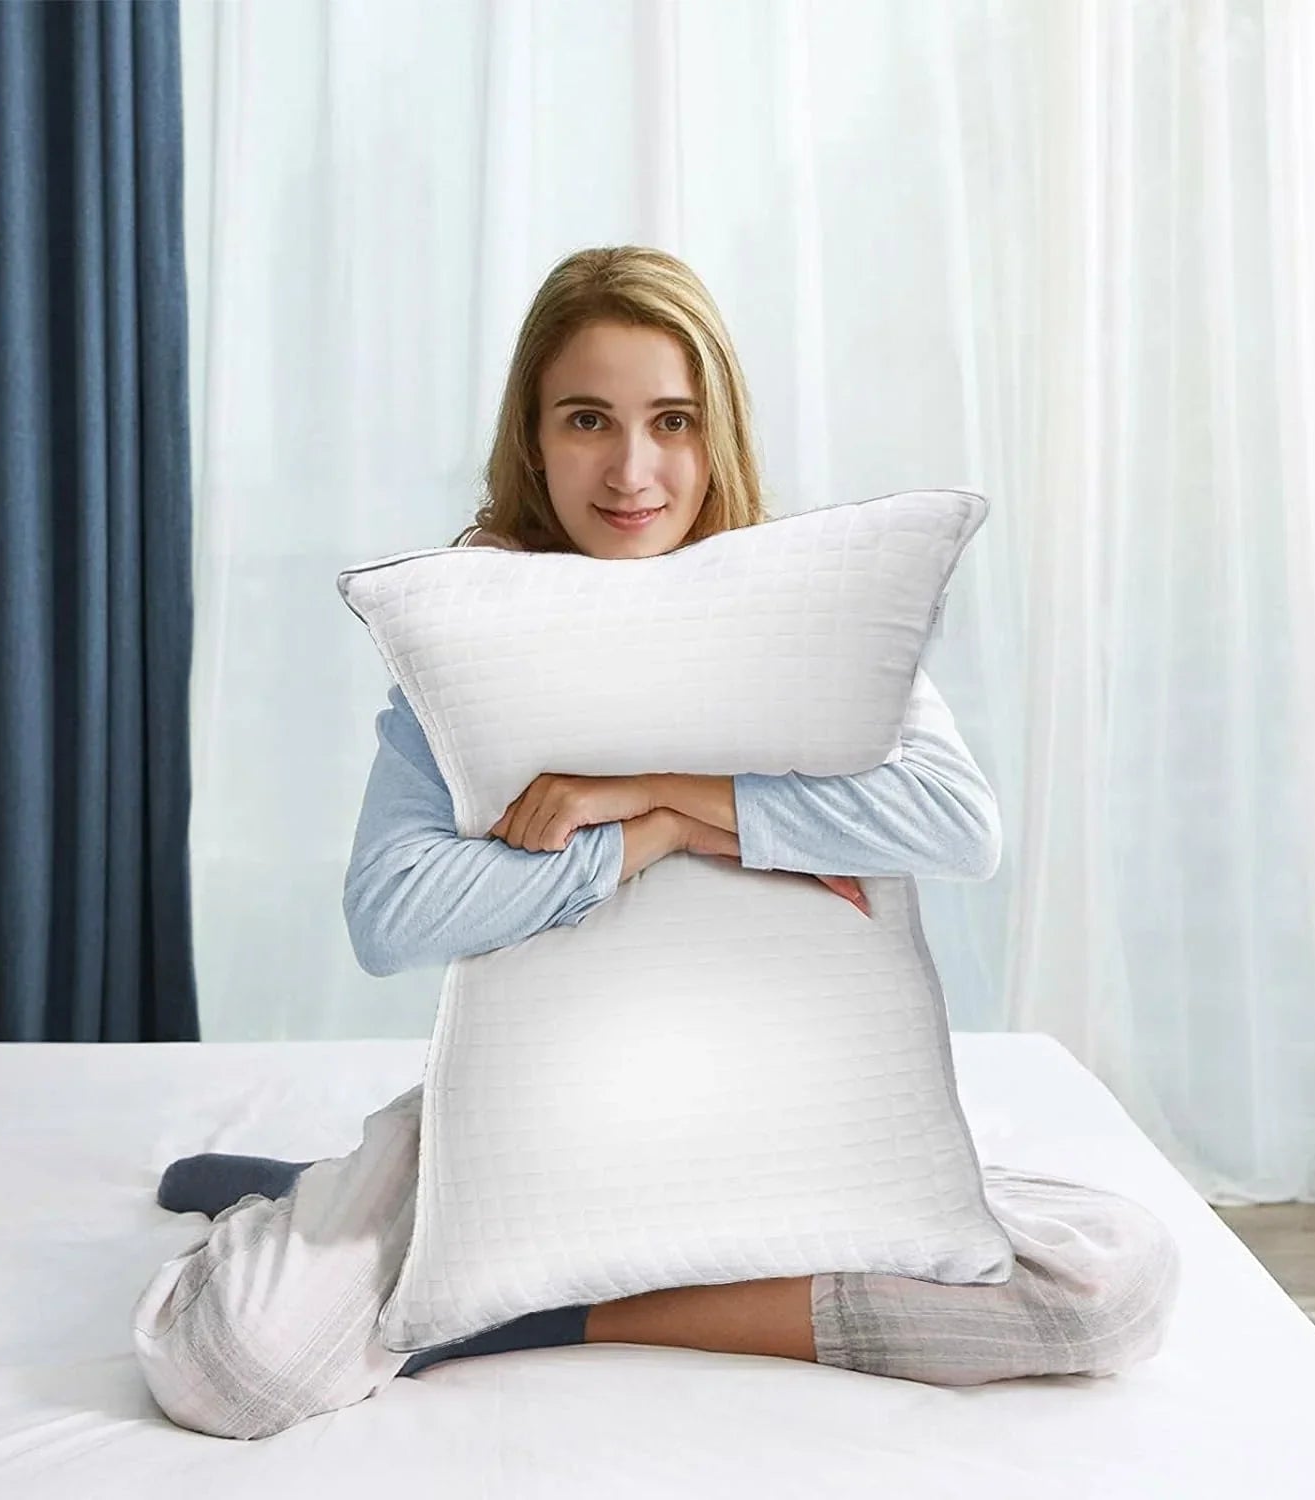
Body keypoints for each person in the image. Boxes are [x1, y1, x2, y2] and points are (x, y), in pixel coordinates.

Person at [131, 246, 1179, 1441]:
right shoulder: (475, 628)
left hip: (786, 1110)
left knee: (1111, 1288)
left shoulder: (814, 618)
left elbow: (953, 819)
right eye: (589, 420)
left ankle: (540, 1313)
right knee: (231, 1374)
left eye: (671, 421)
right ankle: (336, 1209)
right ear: (533, 438)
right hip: (530, 1113)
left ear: (715, 429)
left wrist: (662, 800)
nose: (633, 469)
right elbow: (394, 913)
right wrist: (623, 851)